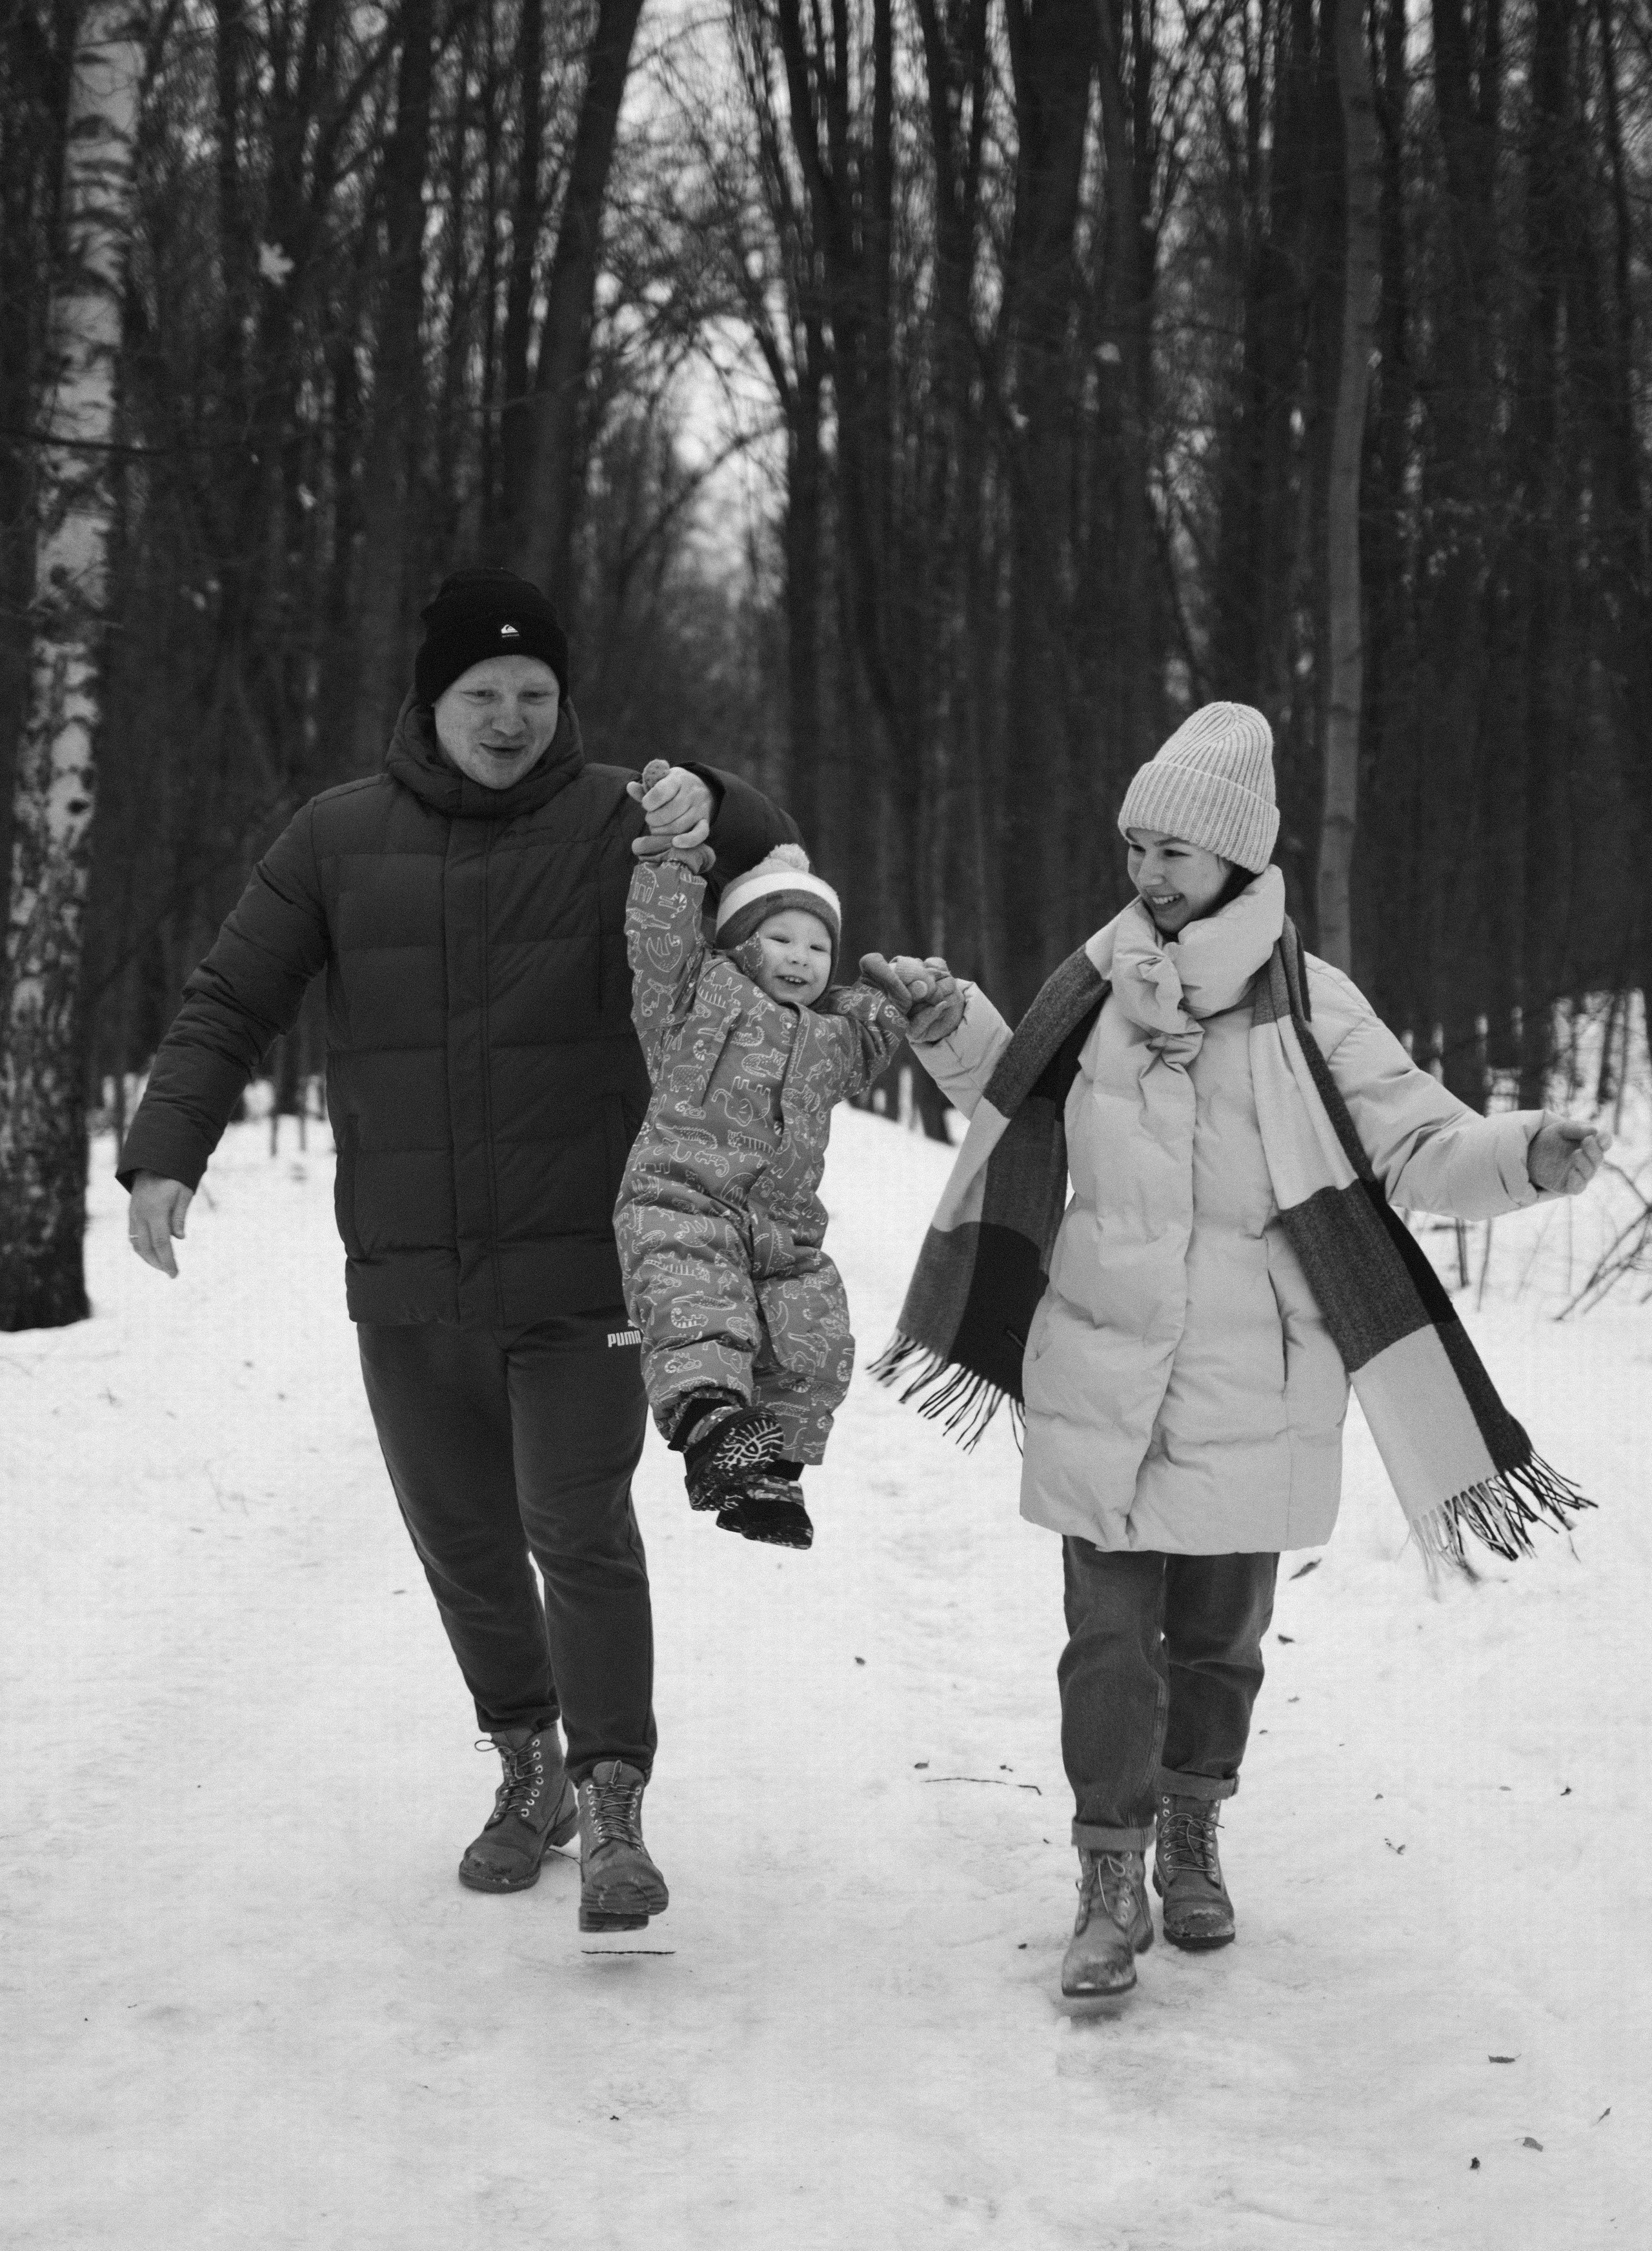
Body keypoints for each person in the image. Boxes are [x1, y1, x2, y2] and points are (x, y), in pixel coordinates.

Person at [867, 700, 1607, 2002]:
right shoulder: (1088, 982)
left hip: (1253, 1388)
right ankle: (1107, 1874)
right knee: (1103, 1636)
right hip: (1097, 1371)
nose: (1148, 873)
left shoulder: (1313, 1005)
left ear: (1240, 861)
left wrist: (1524, 1156)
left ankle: (1191, 1824)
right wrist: (945, 1020)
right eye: (1136, 845)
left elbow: (1421, 1145)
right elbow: (1013, 1096)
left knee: (1216, 1640)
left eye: (1175, 850)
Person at [119, 567, 797, 1932]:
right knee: (468, 1541)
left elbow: (776, 860)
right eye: (479, 693)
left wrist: (710, 802)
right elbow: (228, 997)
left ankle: (613, 1803)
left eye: (533, 693)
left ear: (563, 702)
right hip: (409, 1264)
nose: (507, 716)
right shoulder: (333, 837)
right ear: (428, 702)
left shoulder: (624, 819)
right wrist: (162, 1148)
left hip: (586, 1261)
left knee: (577, 1524)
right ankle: (525, 1766)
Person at [615, 792, 910, 1549]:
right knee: (701, 1308)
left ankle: (765, 1471)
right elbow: (657, 945)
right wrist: (674, 862)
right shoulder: (698, 996)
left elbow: (872, 1043)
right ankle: (714, 1422)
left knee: (815, 1335)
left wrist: (905, 997)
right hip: (681, 1198)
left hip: (781, 1228)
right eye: (780, 937)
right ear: (742, 941)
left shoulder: (829, 1039)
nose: (800, 957)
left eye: (817, 947)